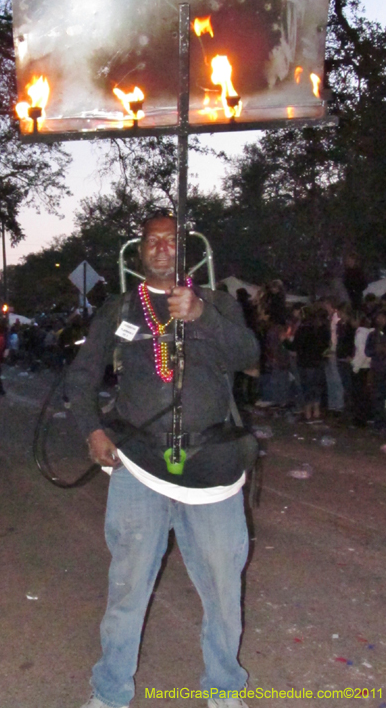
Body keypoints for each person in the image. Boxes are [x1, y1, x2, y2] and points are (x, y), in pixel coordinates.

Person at [67, 212, 259, 708]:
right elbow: (82, 376)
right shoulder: (119, 307)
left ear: (184, 250)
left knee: (223, 590)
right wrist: (92, 428)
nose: (160, 247)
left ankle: (224, 690)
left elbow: (248, 355)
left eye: (170, 240)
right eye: (151, 240)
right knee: (127, 588)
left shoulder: (217, 303)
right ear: (140, 251)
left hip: (212, 468)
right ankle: (109, 692)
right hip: (138, 466)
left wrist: (202, 316)